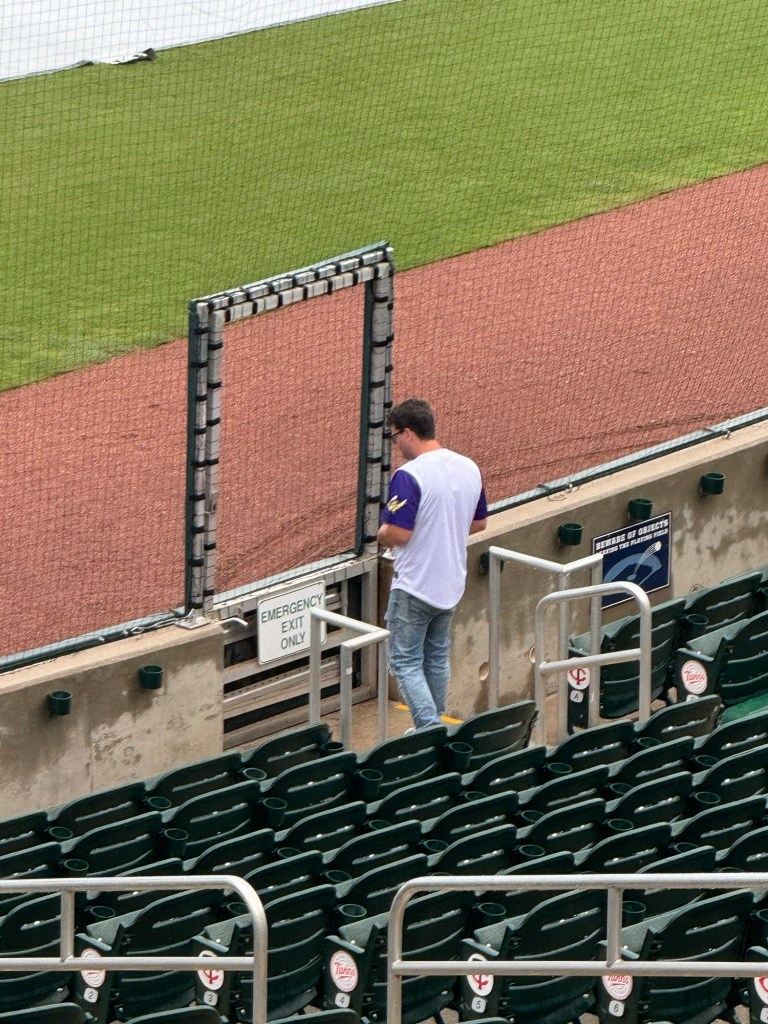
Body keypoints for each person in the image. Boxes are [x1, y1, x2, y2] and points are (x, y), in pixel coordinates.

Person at [377, 398, 487, 730]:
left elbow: (399, 533)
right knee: (436, 657)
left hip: (415, 585)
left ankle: (429, 729)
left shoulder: (409, 475)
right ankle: (434, 723)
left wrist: (381, 533)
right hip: (451, 584)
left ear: (408, 433)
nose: (396, 444)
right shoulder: (469, 467)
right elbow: (479, 523)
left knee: (405, 661)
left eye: (395, 436)